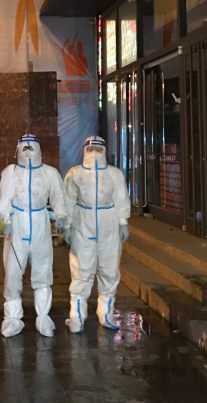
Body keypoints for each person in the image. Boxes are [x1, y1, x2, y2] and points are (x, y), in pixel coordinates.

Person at [0, 134, 69, 337]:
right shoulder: (11, 172)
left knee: (43, 270)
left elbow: (58, 197)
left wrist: (61, 216)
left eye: (31, 146)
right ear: (17, 149)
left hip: (40, 222)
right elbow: (5, 198)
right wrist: (7, 220)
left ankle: (43, 317)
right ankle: (12, 318)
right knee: (13, 271)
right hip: (18, 223)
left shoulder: (49, 173)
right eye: (24, 147)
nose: (28, 150)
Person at [63, 136, 130, 333]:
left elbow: (121, 197)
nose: (94, 153)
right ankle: (77, 315)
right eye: (90, 149)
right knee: (81, 270)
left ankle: (106, 312)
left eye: (98, 149)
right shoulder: (75, 174)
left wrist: (123, 222)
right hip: (83, 224)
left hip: (109, 224)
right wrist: (67, 225)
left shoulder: (114, 174)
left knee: (109, 269)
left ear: (104, 151)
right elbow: (68, 200)